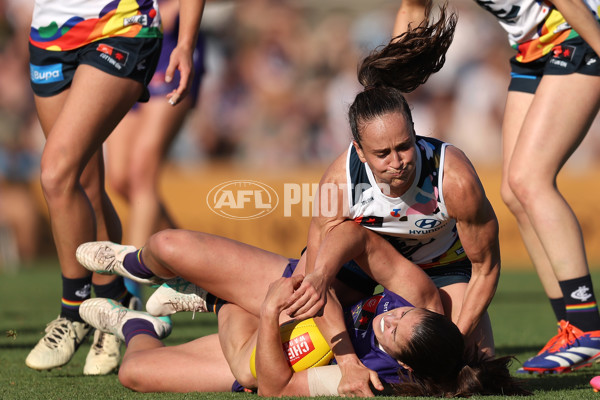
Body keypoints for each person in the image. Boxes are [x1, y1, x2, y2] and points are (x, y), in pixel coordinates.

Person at [279, 4, 500, 395]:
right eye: (382, 154)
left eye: (405, 146)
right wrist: (347, 363)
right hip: (364, 264)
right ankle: (214, 298)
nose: (398, 163)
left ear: (416, 130)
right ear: (360, 153)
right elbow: (320, 280)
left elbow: (484, 267)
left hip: (442, 267)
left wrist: (452, 339)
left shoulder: (454, 179)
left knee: (471, 368)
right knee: (292, 332)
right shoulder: (338, 184)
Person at [74, 220, 529, 397]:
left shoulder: (372, 383)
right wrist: (320, 274)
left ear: (402, 363)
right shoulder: (423, 298)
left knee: (136, 374)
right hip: (310, 291)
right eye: (402, 314)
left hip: (281, 331)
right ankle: (137, 264)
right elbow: (357, 236)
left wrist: (269, 314)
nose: (390, 316)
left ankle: (147, 319)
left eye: (392, 330)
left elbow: (275, 388)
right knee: (165, 244)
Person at [393, 0, 600, 374]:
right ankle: (571, 328)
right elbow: (414, 8)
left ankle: (588, 325)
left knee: (530, 178)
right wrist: (387, 89)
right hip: (532, 48)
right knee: (513, 190)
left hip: (577, 31)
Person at [25, 0, 205, 376]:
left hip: (122, 26)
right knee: (84, 183)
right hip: (50, 35)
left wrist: (185, 43)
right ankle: (116, 305)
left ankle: (74, 310)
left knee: (56, 173)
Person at [104, 0, 206, 299]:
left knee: (141, 173)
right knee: (120, 179)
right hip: (127, 47)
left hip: (172, 47)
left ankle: (129, 282)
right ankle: (195, 265)